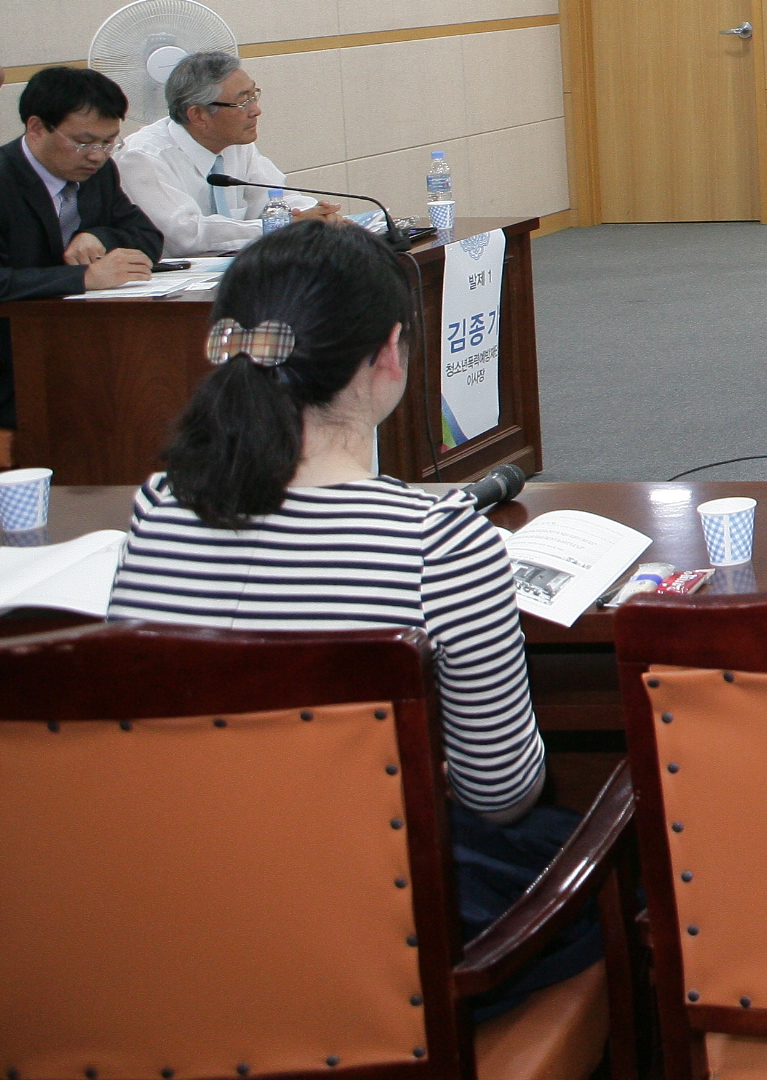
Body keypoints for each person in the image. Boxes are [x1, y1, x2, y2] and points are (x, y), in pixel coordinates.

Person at [105, 222, 601, 1016]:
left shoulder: (161, 507)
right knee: (607, 848)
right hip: (373, 944)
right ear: (390, 353)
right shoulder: (437, 538)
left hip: (183, 914)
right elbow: (503, 793)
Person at [3, 66, 165, 460]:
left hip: (85, 353)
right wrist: (83, 278)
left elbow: (148, 238)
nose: (96, 155)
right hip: (13, 366)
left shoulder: (99, 173)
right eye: (83, 142)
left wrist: (100, 236)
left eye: (110, 142)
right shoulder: (4, 179)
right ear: (37, 127)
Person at [117, 50, 344, 253]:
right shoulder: (142, 157)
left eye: (253, 96)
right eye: (242, 102)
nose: (256, 110)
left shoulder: (234, 143)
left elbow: (275, 198)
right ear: (198, 116)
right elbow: (185, 235)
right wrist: (284, 225)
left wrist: (317, 216)